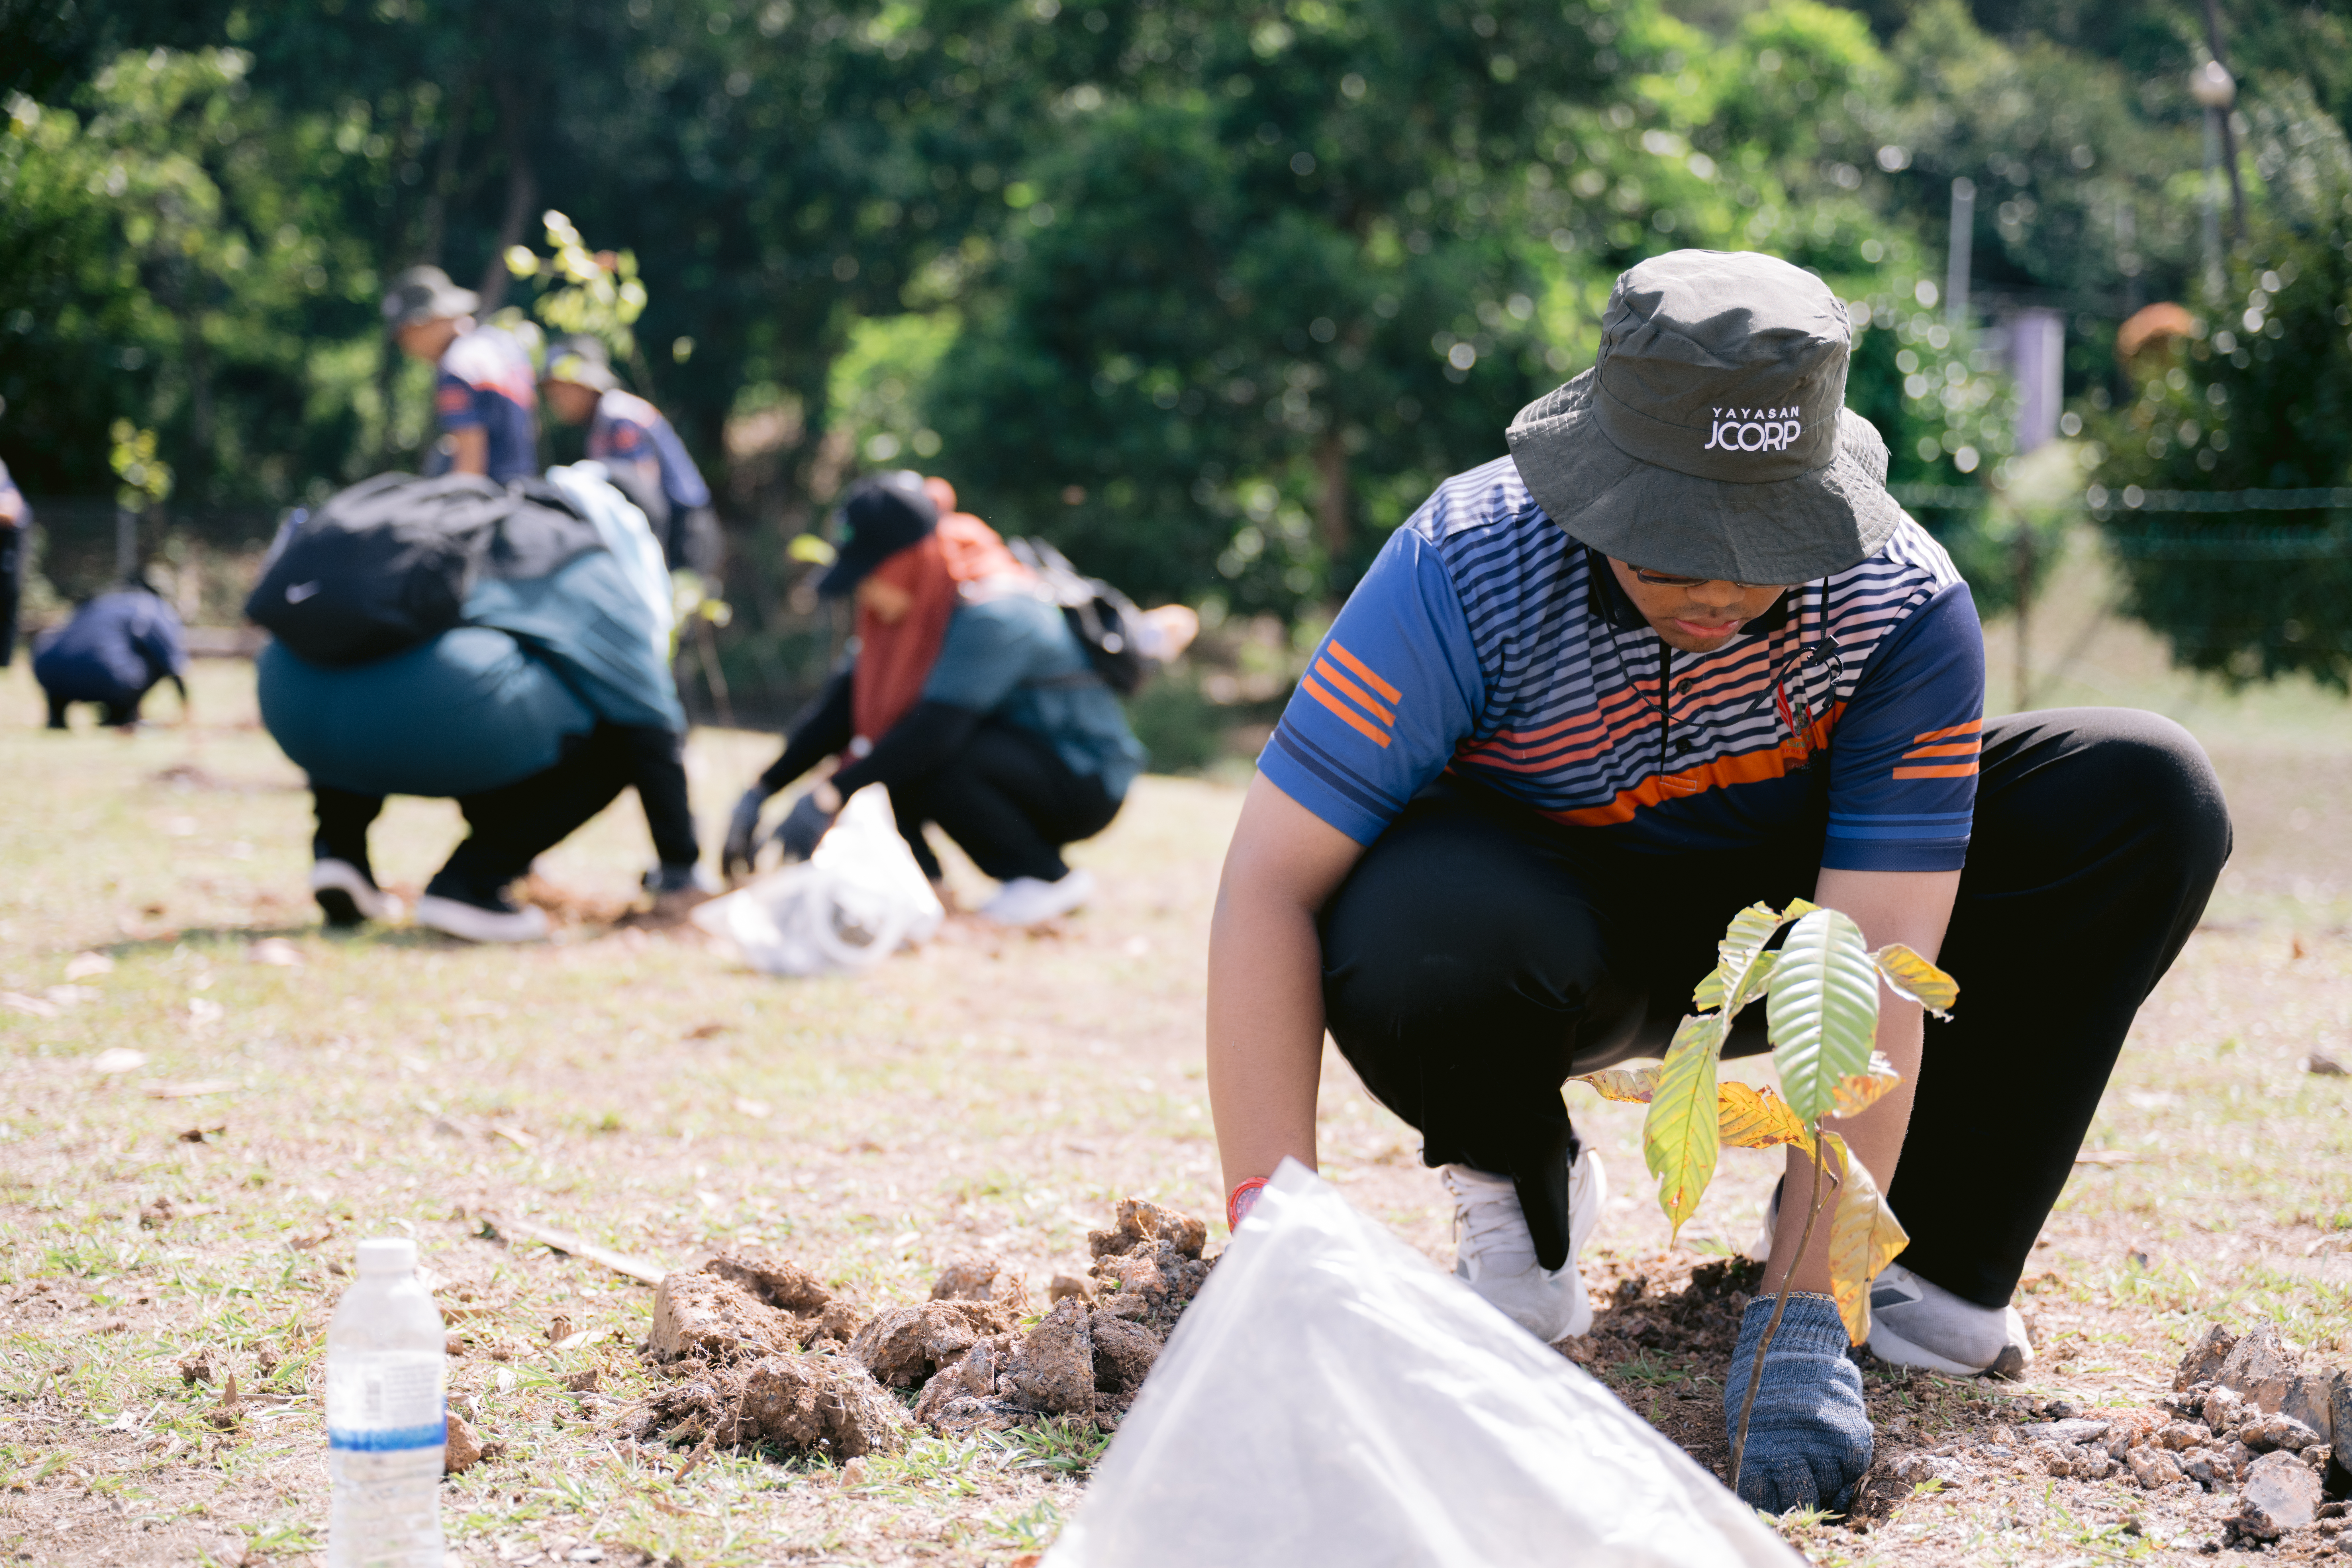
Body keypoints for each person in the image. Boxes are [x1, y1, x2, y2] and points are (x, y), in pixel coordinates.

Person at [1205, 250, 2230, 1514]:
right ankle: (1522, 1189)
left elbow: (1871, 966)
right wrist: (1274, 1252)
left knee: (2142, 790)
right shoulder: (1463, 567)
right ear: (1596, 487)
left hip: (1787, 939)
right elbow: (1268, 886)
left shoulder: (1897, 602)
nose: (1719, 587)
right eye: (1674, 545)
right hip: (1534, 928)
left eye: (1762, 545)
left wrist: (1812, 1304)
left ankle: (1935, 1269)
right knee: (1413, 925)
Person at [259, 465, 705, 941]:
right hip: (427, 718)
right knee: (620, 735)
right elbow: (652, 727)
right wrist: (683, 866)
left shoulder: (465, 515)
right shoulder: (581, 554)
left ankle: (339, 854)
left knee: (366, 652)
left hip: (287, 698)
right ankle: (471, 883)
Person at [723, 472, 1145, 926]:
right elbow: (843, 708)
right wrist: (761, 790)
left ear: (903, 564)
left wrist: (827, 796)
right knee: (894, 758)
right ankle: (927, 886)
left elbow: (933, 734)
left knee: (917, 756)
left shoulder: (996, 611)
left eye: (869, 577)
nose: (864, 594)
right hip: (1013, 759)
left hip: (1082, 778)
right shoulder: (913, 613)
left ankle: (1044, 878)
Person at [538, 336, 720, 580]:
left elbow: (645, 497)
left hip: (685, 531)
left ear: (584, 384)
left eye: (560, 392)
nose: (555, 402)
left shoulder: (620, 419)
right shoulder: (600, 423)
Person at [382, 266, 541, 484]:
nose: (407, 347)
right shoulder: (507, 347)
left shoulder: (456, 367)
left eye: (406, 335)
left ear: (427, 321)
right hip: (523, 488)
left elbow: (469, 471)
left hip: (490, 498)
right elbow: (532, 429)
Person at [32, 577, 189, 729]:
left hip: (49, 671)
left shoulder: (102, 601)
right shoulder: (151, 607)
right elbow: (173, 663)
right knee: (154, 659)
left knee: (88, 653)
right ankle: (121, 715)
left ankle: (57, 717)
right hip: (105, 677)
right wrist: (187, 710)